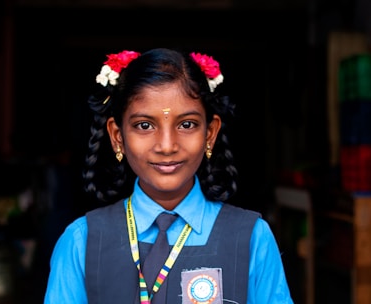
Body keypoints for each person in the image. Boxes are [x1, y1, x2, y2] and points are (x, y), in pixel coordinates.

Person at [43, 47, 294, 304]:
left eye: (186, 125)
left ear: (210, 133)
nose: (166, 145)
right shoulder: (82, 242)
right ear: (118, 137)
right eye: (144, 125)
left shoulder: (251, 238)